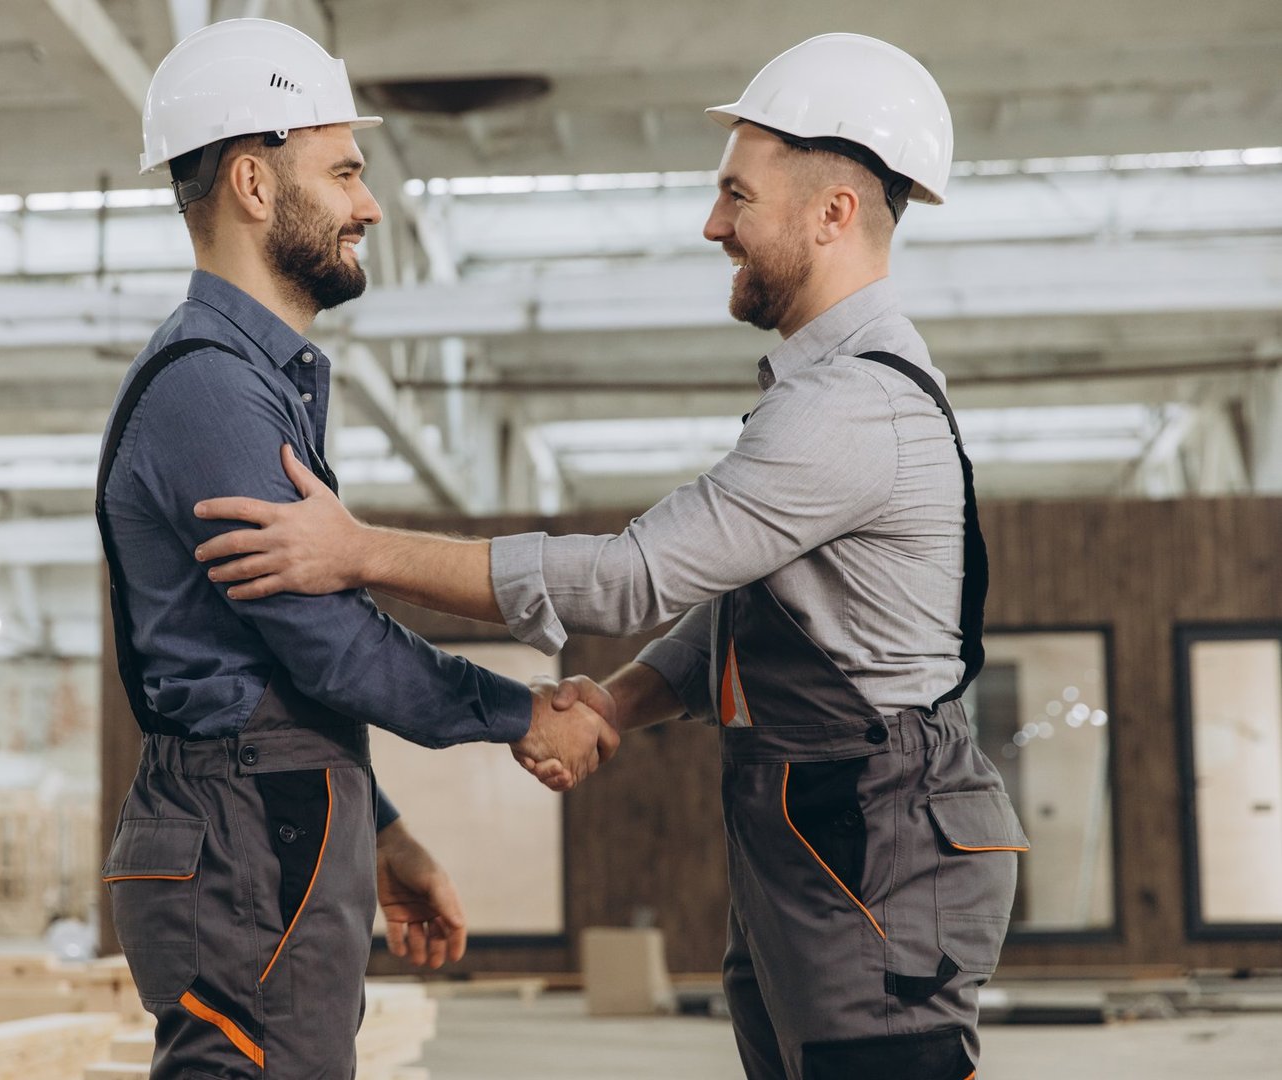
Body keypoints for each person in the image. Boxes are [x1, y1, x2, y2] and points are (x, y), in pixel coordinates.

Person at [191, 33, 1030, 1080]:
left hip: (878, 833)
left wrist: (359, 552)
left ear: (833, 213)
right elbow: (751, 610)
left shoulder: (852, 407)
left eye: (738, 195)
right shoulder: (825, 394)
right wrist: (619, 704)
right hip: (822, 827)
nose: (713, 223)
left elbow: (633, 576)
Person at [96, 19, 617, 1080]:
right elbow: (327, 644)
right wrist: (520, 710)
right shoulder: (210, 390)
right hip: (244, 829)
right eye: (343, 173)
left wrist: (375, 828)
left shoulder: (249, 379)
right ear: (252, 182)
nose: (369, 204)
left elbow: (284, 663)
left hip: (270, 818)